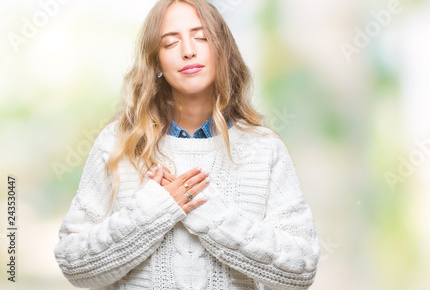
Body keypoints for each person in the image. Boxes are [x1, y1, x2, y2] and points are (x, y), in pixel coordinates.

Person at [53, 0, 320, 289]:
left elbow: (300, 271)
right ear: (156, 61)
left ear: (222, 49)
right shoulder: (117, 143)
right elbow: (74, 265)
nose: (188, 50)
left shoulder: (264, 148)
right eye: (170, 43)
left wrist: (209, 213)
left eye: (202, 37)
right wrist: (153, 211)